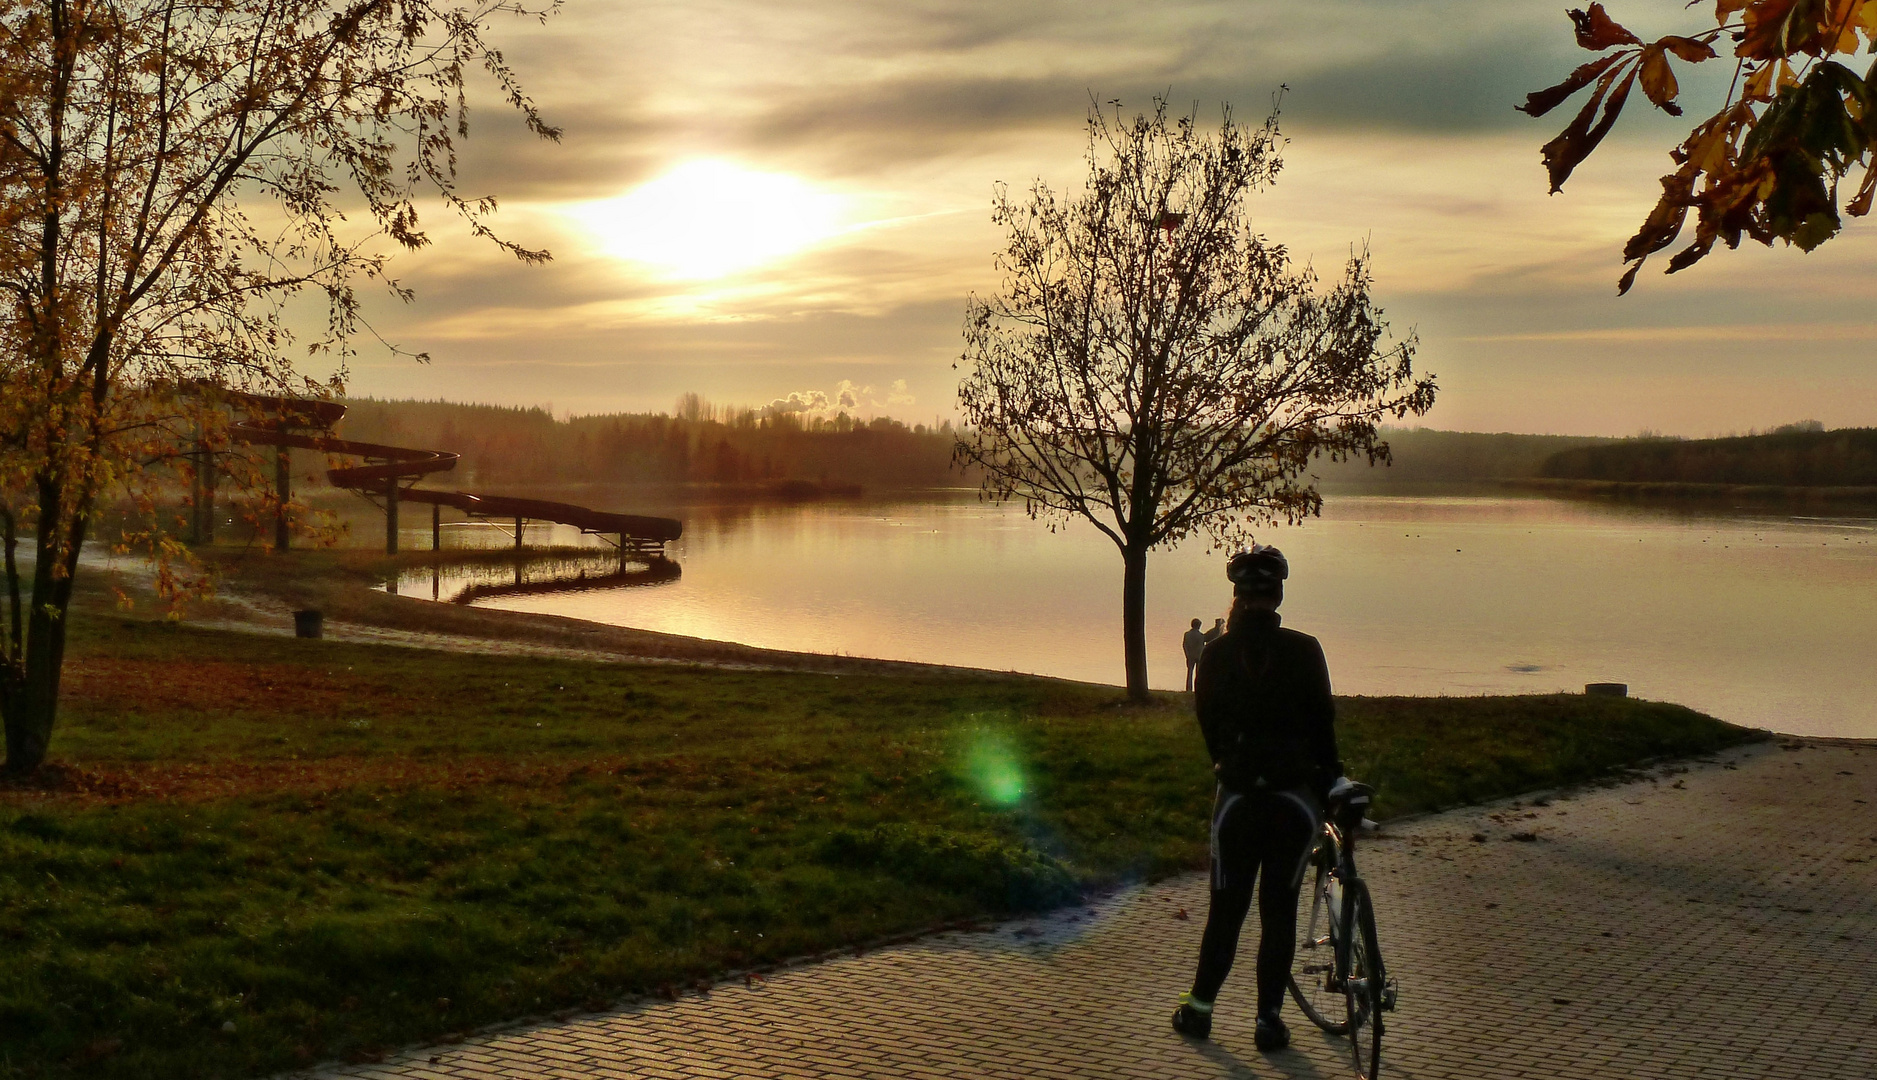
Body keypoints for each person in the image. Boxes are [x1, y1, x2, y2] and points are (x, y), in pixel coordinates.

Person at [1171, 544, 1342, 1052]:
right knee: (1279, 911)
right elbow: (1323, 727)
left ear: (1237, 596)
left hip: (1238, 799)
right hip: (1294, 800)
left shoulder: (1216, 653)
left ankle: (1200, 1011)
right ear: (1279, 593)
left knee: (1226, 910)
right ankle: (1268, 1020)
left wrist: (1231, 764)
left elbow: (1209, 728)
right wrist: (1331, 779)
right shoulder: (1306, 649)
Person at [1182, 618, 1208, 692]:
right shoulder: (1201, 636)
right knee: (1198, 674)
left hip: (1190, 655)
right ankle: (1198, 689)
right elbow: (1202, 646)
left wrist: (1187, 655)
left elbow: (1184, 645)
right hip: (1199, 656)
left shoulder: (1187, 634)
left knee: (1189, 673)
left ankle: (1189, 689)